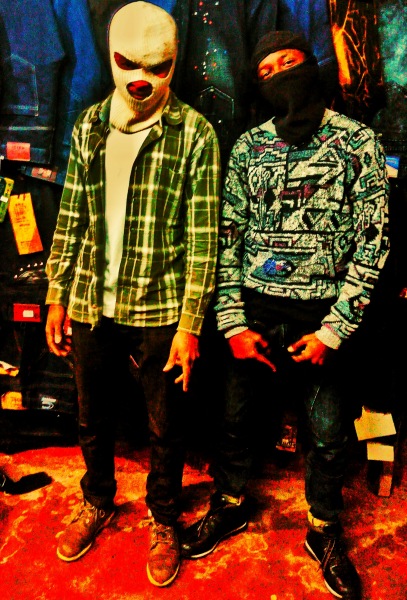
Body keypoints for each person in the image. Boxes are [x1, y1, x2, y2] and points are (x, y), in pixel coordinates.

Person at [181, 30, 390, 600]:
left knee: (328, 436)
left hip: (322, 317)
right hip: (254, 312)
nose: (279, 76)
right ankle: (229, 504)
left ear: (310, 65)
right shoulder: (248, 148)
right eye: (266, 71)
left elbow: (374, 242)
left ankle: (323, 529)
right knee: (232, 421)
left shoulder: (357, 143)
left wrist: (334, 331)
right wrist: (232, 324)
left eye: (288, 63)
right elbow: (227, 238)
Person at [44, 1, 220, 588]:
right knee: (91, 415)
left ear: (175, 61)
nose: (141, 80)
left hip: (162, 307)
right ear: (110, 55)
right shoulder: (89, 125)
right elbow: (71, 214)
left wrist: (190, 326)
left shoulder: (194, 133)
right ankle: (96, 500)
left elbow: (204, 239)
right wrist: (57, 292)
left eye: (158, 67)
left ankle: (164, 518)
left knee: (166, 424)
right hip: (92, 300)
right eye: (128, 63)